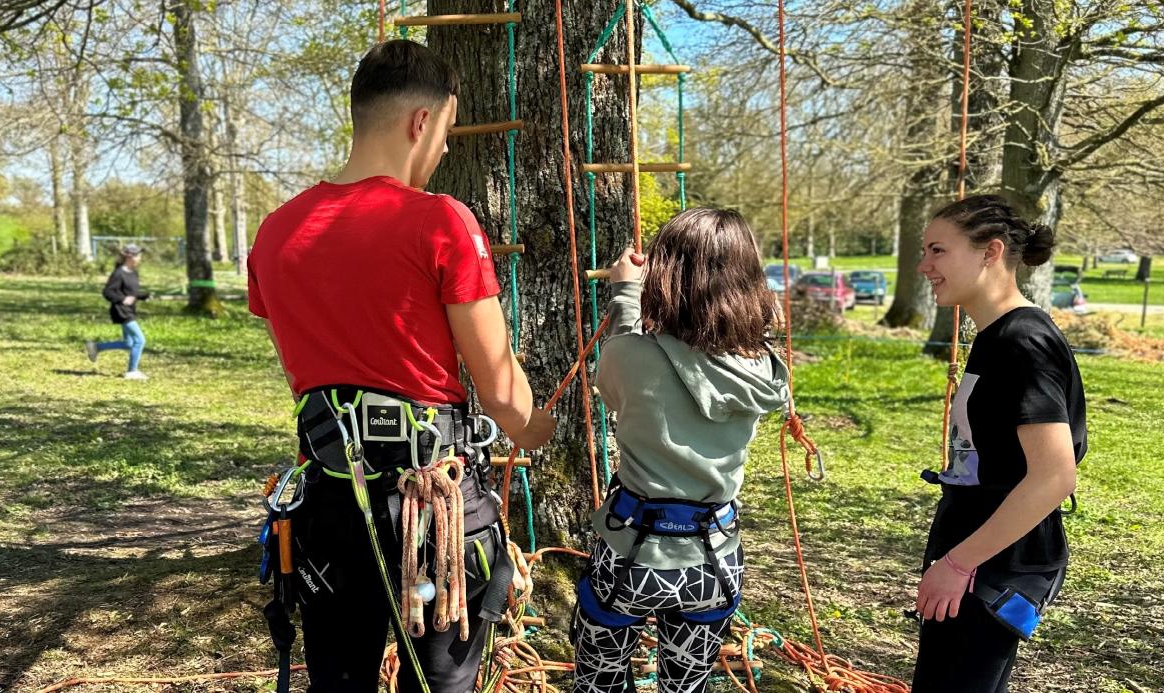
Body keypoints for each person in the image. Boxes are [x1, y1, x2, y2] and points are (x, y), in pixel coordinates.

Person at [246, 39, 556, 693]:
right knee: (440, 682)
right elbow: (500, 392)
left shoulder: (276, 231)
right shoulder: (441, 221)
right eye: (446, 133)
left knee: (338, 680)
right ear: (422, 122)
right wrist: (540, 431)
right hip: (431, 514)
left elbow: (307, 376)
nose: (443, 151)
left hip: (331, 510)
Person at [571, 209, 790, 693]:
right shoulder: (761, 366)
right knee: (687, 686)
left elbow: (616, 375)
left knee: (599, 680)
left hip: (631, 551)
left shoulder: (634, 356)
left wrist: (627, 293)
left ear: (666, 275)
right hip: (714, 558)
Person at [912, 195, 1087, 693]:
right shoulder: (995, 335)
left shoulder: (1022, 341)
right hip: (974, 549)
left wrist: (958, 564)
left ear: (990, 252)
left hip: (994, 561)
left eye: (938, 251)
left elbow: (1054, 476)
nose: (924, 266)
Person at [84, 244, 150, 380]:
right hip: (121, 311)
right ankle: (132, 371)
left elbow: (131, 293)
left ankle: (96, 347)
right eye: (137, 255)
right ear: (129, 257)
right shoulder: (119, 273)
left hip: (129, 310)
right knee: (140, 340)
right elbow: (107, 292)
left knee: (129, 343)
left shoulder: (133, 272)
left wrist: (143, 296)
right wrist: (122, 299)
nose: (140, 257)